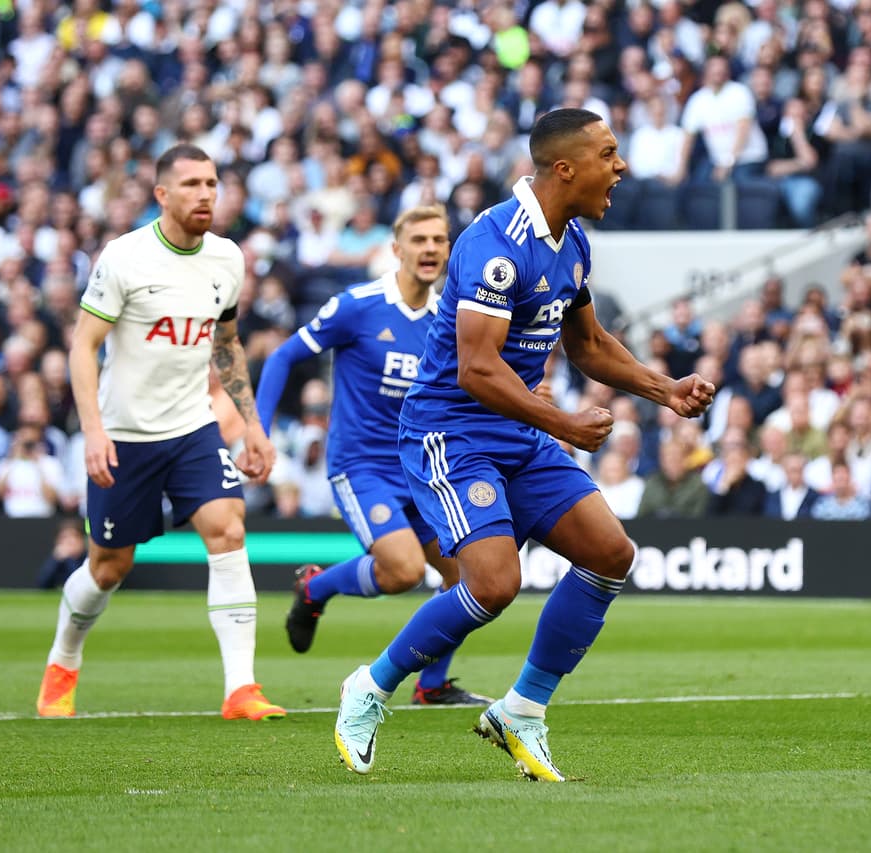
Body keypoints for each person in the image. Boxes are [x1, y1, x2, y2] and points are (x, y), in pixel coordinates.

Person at [332, 109, 714, 781]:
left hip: (521, 431)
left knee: (610, 554)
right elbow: (475, 368)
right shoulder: (494, 244)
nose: (620, 167)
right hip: (451, 432)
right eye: (608, 154)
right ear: (565, 168)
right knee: (495, 582)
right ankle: (368, 687)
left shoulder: (571, 243)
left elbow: (589, 344)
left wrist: (666, 389)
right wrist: (565, 423)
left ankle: (522, 711)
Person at [36, 144, 285, 722]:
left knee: (227, 528)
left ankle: (241, 689)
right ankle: (63, 659)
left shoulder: (227, 259)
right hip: (124, 434)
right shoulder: (124, 257)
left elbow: (225, 345)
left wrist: (251, 426)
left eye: (213, 183)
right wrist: (94, 433)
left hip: (192, 426)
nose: (206, 194)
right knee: (108, 568)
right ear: (162, 195)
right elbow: (82, 347)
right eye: (193, 184)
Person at [254, 205, 489, 707]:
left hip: (423, 467)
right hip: (361, 466)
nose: (430, 248)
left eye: (439, 240)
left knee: (469, 578)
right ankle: (316, 589)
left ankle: (432, 685)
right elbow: (283, 356)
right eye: (419, 239)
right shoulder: (356, 306)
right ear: (396, 249)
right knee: (403, 571)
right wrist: (260, 427)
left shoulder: (447, 319)